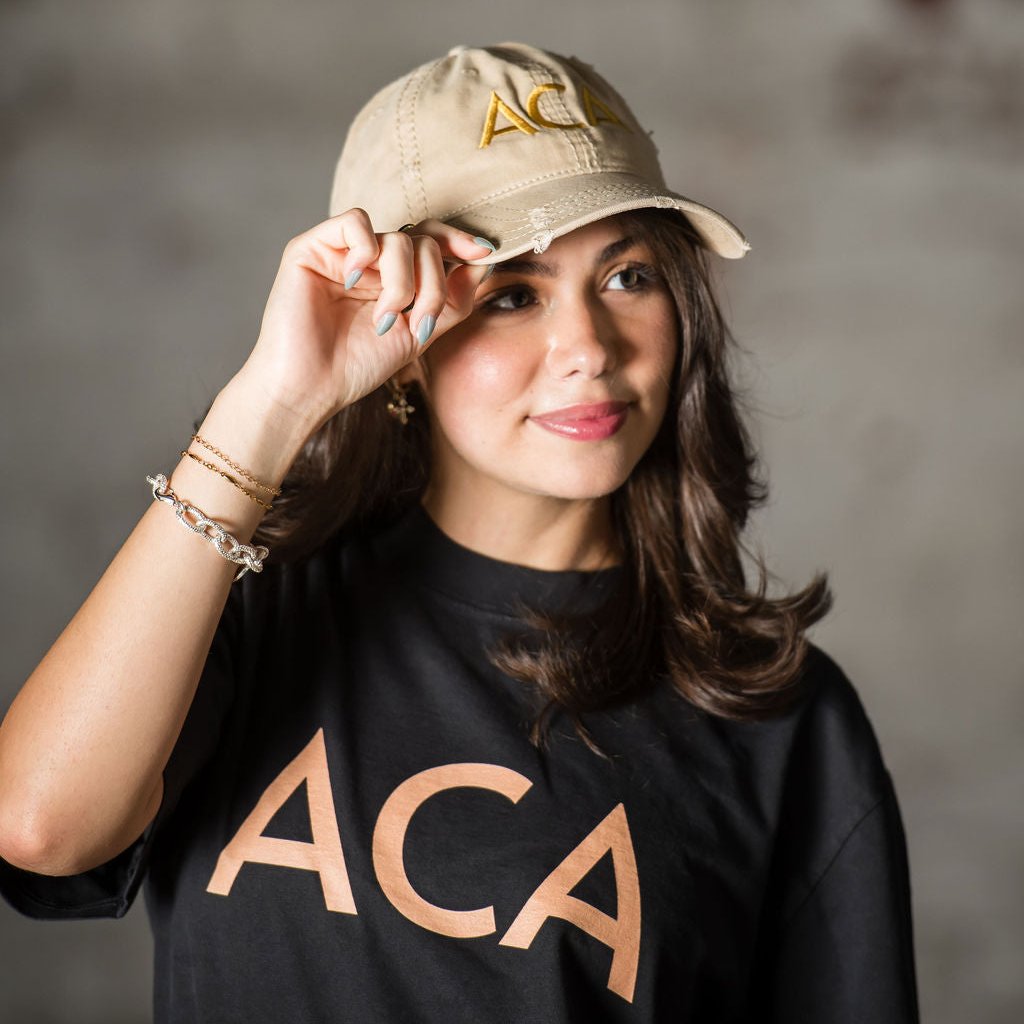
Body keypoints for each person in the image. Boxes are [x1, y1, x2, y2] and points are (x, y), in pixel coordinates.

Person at [0, 42, 919, 1023]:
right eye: (514, 292)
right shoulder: (240, 611)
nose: (588, 349)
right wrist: (272, 401)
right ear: (400, 333)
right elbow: (38, 828)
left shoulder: (780, 719)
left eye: (627, 275)